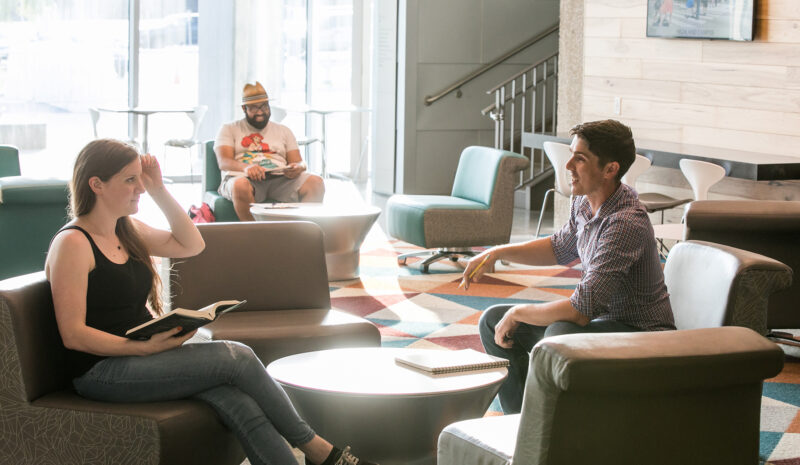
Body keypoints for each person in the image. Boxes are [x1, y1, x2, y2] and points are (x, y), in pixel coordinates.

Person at [45, 139, 376, 465]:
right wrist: (142, 349)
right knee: (237, 357)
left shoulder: (127, 230)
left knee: (236, 400)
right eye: (130, 180)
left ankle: (315, 456)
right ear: (97, 185)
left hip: (142, 355)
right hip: (100, 371)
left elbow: (192, 244)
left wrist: (160, 190)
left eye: (140, 180)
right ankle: (320, 451)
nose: (140, 188)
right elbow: (73, 335)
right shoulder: (74, 243)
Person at [461, 120, 675, 414]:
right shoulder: (583, 202)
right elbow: (560, 247)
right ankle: (521, 422)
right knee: (492, 321)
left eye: (580, 158)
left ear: (610, 169)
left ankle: (550, 427)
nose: (568, 165)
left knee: (560, 333)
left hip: (642, 337)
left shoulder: (625, 223)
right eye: (571, 154)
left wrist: (518, 311)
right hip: (603, 325)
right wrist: (497, 253)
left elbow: (580, 311)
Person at [215, 81, 325, 221]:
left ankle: (300, 230)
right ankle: (255, 232)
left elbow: (299, 162)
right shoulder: (229, 129)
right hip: (244, 178)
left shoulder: (283, 130)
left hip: (280, 179)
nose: (260, 112)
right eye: (254, 108)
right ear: (244, 108)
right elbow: (224, 161)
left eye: (264, 106)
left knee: (316, 182)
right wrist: (247, 168)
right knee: (240, 185)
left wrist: (298, 167)